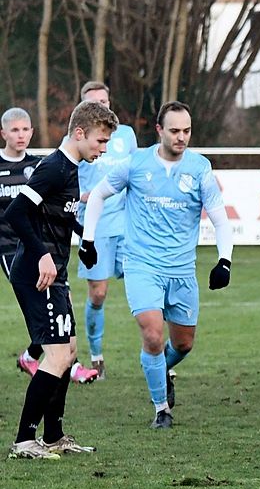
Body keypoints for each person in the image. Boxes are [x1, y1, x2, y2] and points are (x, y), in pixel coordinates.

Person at [81, 101, 234, 430]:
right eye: (175, 131)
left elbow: (221, 220)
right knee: (152, 335)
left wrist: (225, 261)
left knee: (183, 344)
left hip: (181, 271)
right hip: (141, 266)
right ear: (159, 130)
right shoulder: (135, 163)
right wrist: (88, 240)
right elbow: (97, 196)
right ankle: (161, 408)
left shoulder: (199, 168)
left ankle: (162, 366)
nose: (182, 137)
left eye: (187, 131)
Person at [4, 100, 117, 458]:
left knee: (68, 352)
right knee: (54, 356)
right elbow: (16, 213)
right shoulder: (52, 168)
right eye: (100, 141)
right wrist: (42, 255)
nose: (103, 149)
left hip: (57, 272)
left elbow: (60, 216)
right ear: (80, 133)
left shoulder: (72, 168)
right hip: (36, 274)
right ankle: (24, 440)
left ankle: (53, 436)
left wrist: (85, 240)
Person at [75, 81, 139, 378]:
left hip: (128, 224)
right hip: (96, 225)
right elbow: (67, 177)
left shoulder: (125, 135)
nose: (102, 106)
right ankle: (96, 355)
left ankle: (156, 352)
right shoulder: (78, 139)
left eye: (105, 101)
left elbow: (137, 173)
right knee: (98, 295)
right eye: (94, 103)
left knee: (144, 286)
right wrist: (82, 195)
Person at [0, 108, 45, 378]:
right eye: (14, 130)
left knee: (53, 304)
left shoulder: (39, 166)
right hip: (8, 248)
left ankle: (32, 357)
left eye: (25, 129)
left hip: (36, 245)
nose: (21, 135)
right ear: (3, 133)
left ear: (32, 132)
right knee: (38, 306)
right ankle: (63, 363)